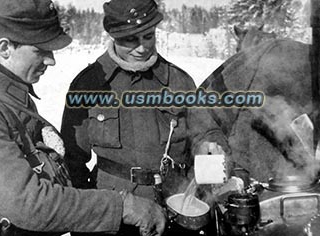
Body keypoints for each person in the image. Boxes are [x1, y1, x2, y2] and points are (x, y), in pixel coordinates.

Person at [0, 0, 166, 236]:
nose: (51, 60)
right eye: (40, 50)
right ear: (5, 48)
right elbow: (29, 203)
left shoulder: (10, 93)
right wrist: (122, 206)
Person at [61, 0, 230, 235]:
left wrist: (210, 146)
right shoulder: (89, 85)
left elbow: (205, 132)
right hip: (116, 212)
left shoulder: (179, 82)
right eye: (131, 40)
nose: (142, 48)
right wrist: (87, 216)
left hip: (175, 205)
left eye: (148, 37)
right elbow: (72, 161)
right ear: (113, 36)